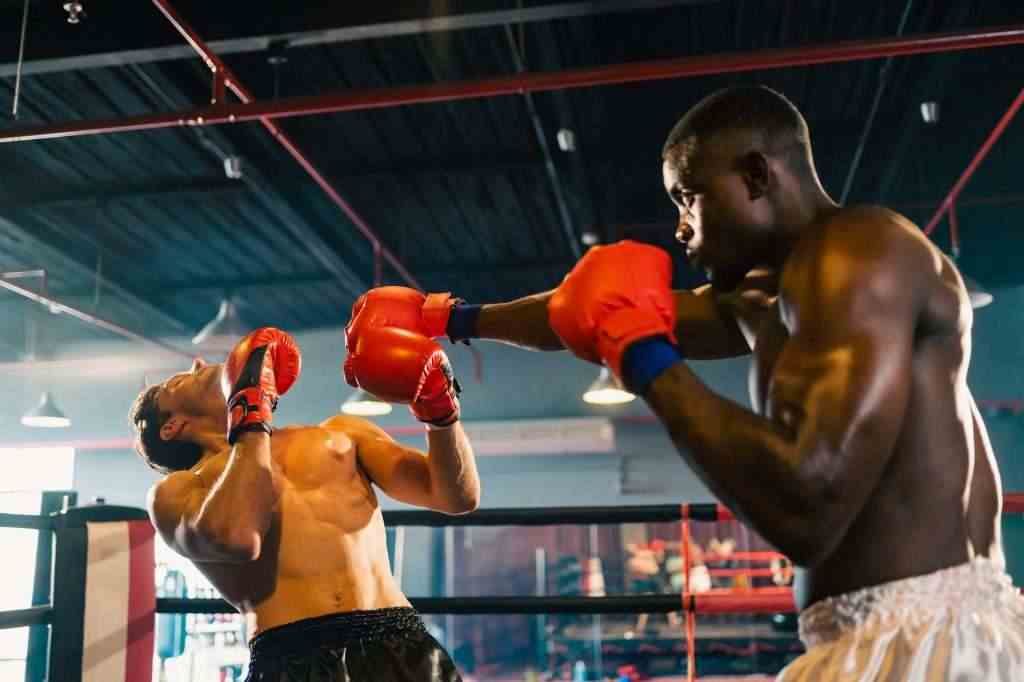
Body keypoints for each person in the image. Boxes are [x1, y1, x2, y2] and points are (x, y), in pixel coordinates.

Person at [343, 86, 1024, 679]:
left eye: (689, 197)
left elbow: (809, 505)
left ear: (757, 176)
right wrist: (446, 317)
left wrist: (642, 360)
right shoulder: (773, 295)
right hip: (884, 638)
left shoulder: (856, 255)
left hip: (929, 646)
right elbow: (577, 317)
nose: (681, 227)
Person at [131, 326, 480, 681]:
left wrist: (441, 412)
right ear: (172, 426)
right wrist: (251, 416)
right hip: (295, 657)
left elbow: (455, 496)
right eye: (177, 382)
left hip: (400, 642)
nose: (199, 362)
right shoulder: (177, 491)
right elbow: (238, 534)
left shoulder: (342, 433)